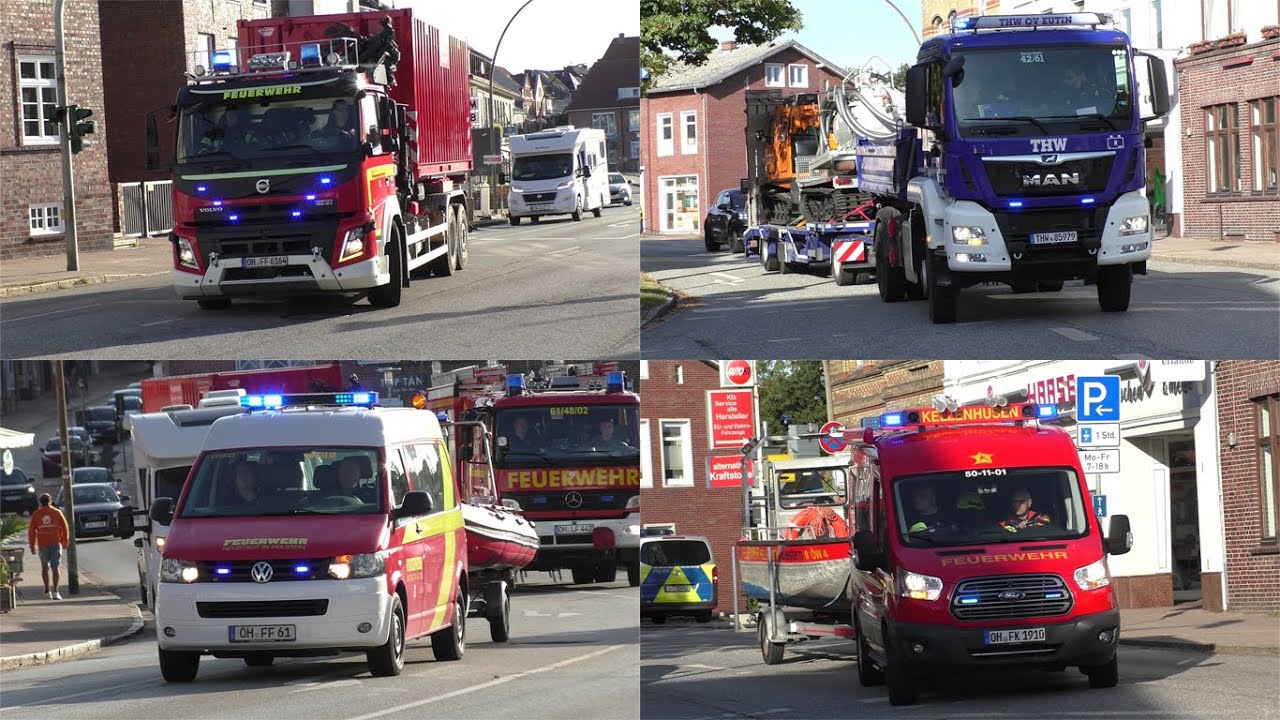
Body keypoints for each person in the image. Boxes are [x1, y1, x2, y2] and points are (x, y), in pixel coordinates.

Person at [28, 493, 69, 600]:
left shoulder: (36, 514)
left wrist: (32, 545)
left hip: (42, 544)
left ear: (40, 502)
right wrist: (65, 541)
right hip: (55, 542)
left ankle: (47, 590)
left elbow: (31, 531)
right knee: (55, 568)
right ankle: (55, 591)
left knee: (44, 568)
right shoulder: (57, 512)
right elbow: (65, 527)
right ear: (50, 501)